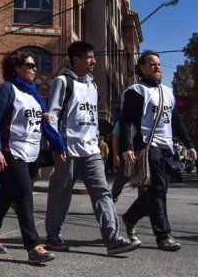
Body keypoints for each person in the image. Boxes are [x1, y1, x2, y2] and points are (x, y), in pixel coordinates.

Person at [44, 41, 139, 255]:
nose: (94, 61)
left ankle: (113, 239)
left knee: (103, 192)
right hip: (66, 149)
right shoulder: (62, 81)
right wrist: (57, 144)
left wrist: (96, 141)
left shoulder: (92, 85)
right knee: (61, 194)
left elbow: (92, 117)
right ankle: (53, 236)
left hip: (91, 151)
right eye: (89, 57)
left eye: (94, 57)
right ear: (75, 59)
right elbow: (52, 115)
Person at [0, 51, 65, 264]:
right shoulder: (6, 89)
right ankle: (33, 247)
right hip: (11, 151)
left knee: (7, 194)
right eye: (29, 65)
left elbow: (42, 124)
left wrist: (56, 143)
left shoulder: (34, 95)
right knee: (25, 193)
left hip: (31, 154)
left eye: (35, 65)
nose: (34, 68)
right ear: (16, 68)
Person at [119, 51, 197, 252]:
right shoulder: (136, 91)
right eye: (152, 64)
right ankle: (163, 236)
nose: (157, 67)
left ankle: (130, 217)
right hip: (147, 145)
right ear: (142, 68)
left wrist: (189, 144)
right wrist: (127, 147)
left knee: (158, 190)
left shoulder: (167, 92)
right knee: (158, 190)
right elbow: (126, 120)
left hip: (167, 146)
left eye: (158, 64)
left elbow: (177, 121)